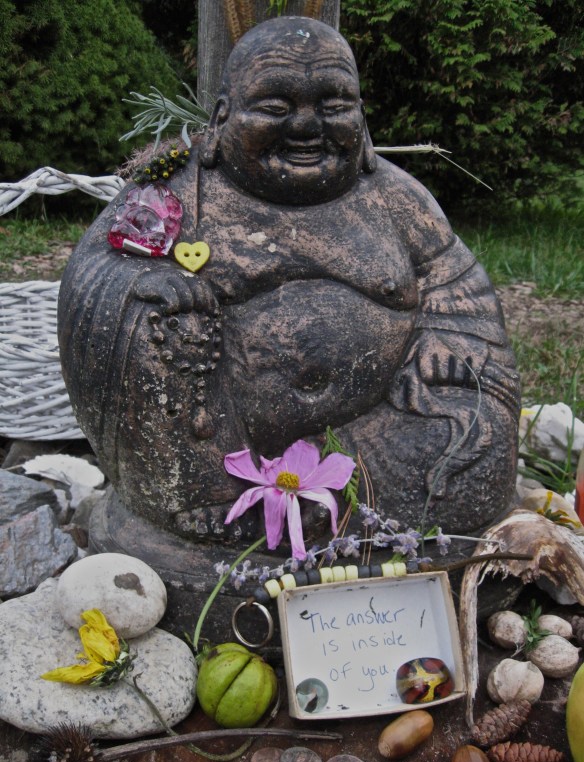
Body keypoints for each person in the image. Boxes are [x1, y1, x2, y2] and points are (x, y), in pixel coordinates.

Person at [58, 16, 520, 551]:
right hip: (216, 447)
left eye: (334, 107)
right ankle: (215, 506)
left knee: (474, 438)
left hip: (379, 439)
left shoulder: (397, 198)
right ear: (223, 117)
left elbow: (455, 280)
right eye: (276, 108)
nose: (306, 126)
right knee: (150, 312)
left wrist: (448, 334)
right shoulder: (176, 193)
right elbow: (96, 267)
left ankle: (327, 514)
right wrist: (142, 280)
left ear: (363, 121)